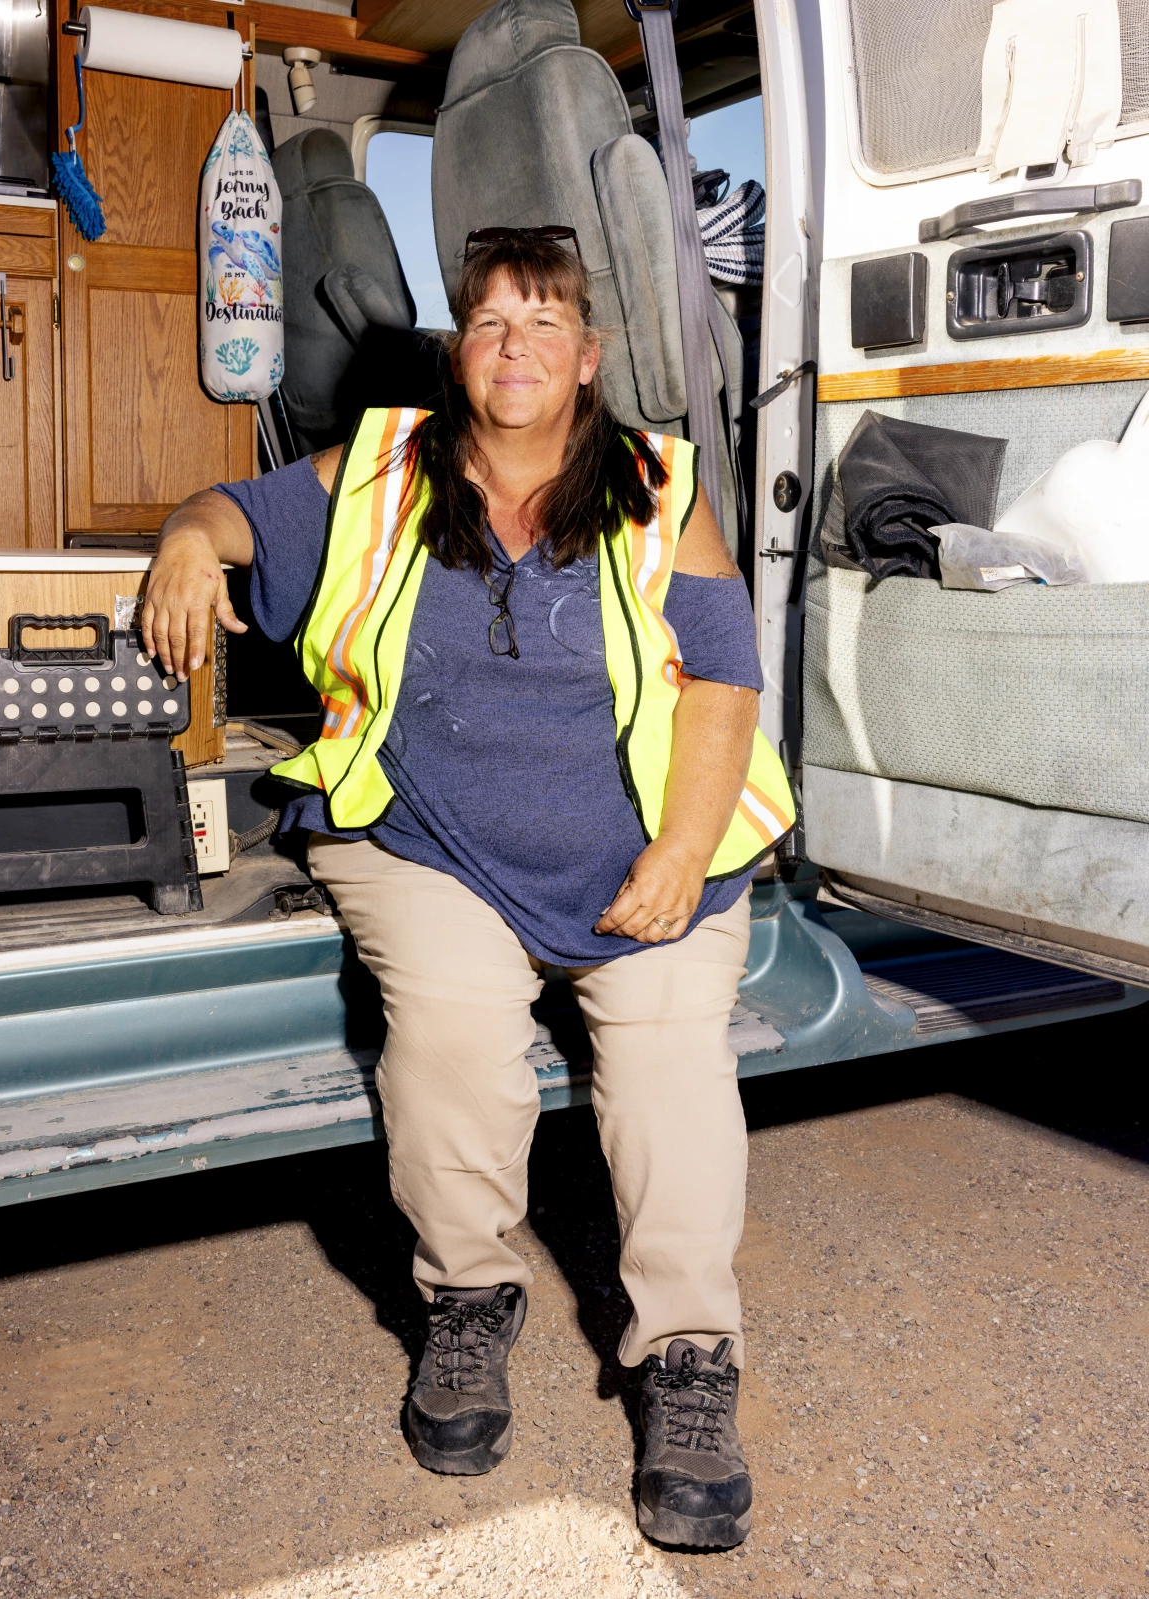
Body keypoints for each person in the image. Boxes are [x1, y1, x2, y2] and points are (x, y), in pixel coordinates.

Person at [144, 230, 792, 1550]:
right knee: (450, 1040)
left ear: (589, 359)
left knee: (671, 1070)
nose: (516, 347)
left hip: (643, 849)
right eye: (491, 323)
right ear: (460, 350)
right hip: (431, 840)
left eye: (545, 325)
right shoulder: (382, 466)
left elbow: (724, 674)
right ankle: (467, 1301)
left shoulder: (660, 483)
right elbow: (231, 513)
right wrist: (184, 545)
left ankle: (688, 1357)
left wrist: (680, 850)